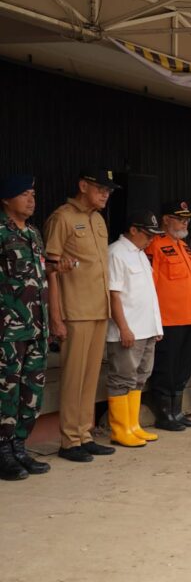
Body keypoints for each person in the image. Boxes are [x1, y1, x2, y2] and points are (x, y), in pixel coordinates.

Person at [45, 169, 117, 462]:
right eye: (100, 188)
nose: (105, 194)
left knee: (89, 377)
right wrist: (57, 317)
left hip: (98, 308)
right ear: (83, 186)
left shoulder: (98, 219)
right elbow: (50, 269)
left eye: (109, 191)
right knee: (74, 377)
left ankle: (84, 434)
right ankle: (69, 440)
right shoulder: (62, 218)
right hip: (75, 310)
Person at [0, 175, 57, 479]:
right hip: (9, 330)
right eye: (24, 194)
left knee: (31, 389)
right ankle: (3, 450)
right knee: (6, 390)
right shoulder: (0, 232)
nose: (31, 200)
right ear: (6, 199)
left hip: (37, 328)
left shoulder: (34, 234)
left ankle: (20, 446)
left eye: (33, 194)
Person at [105, 211, 164, 448]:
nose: (151, 239)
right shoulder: (116, 253)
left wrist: (156, 325)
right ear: (133, 230)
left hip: (146, 328)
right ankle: (120, 429)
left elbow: (149, 294)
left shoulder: (140, 255)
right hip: (128, 330)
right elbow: (114, 295)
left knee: (139, 378)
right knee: (122, 378)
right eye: (148, 234)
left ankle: (133, 425)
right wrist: (123, 328)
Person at [145, 201, 191, 431]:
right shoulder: (154, 245)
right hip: (169, 318)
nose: (185, 222)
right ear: (166, 219)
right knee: (165, 367)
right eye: (180, 218)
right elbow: (149, 283)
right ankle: (164, 413)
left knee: (183, 367)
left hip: (190, 316)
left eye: (187, 219)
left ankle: (177, 410)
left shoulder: (184, 246)